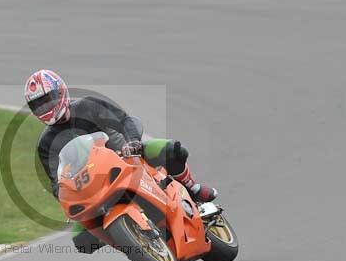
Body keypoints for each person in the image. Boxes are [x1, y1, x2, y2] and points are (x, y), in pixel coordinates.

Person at [25, 69, 218, 204]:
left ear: (60, 92)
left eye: (47, 100)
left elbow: (125, 120)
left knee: (173, 149)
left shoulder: (87, 106)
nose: (45, 108)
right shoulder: (46, 143)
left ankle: (192, 188)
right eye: (38, 105)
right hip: (94, 185)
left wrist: (132, 142)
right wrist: (66, 195)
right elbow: (56, 182)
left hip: (128, 157)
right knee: (81, 241)